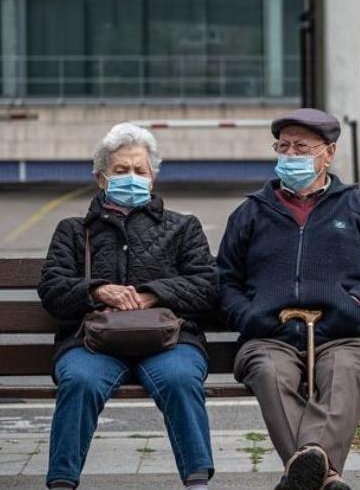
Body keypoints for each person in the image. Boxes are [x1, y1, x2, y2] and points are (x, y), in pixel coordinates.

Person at [217, 108, 360, 490]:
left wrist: (358, 302)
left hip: (345, 334)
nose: (289, 155)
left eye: (300, 147)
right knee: (269, 371)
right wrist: (248, 315)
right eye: (283, 146)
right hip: (270, 336)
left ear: (329, 153)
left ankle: (302, 477)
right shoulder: (251, 212)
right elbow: (224, 280)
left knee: (344, 372)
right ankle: (324, 477)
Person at [38, 123, 218, 490]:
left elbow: (207, 287)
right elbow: (53, 289)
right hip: (93, 343)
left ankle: (198, 482)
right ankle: (62, 482)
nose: (131, 177)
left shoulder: (183, 228)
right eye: (121, 171)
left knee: (181, 379)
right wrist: (98, 290)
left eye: (140, 170)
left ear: (153, 178)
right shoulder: (74, 231)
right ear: (101, 178)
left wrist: (153, 294)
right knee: (79, 381)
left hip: (171, 340)